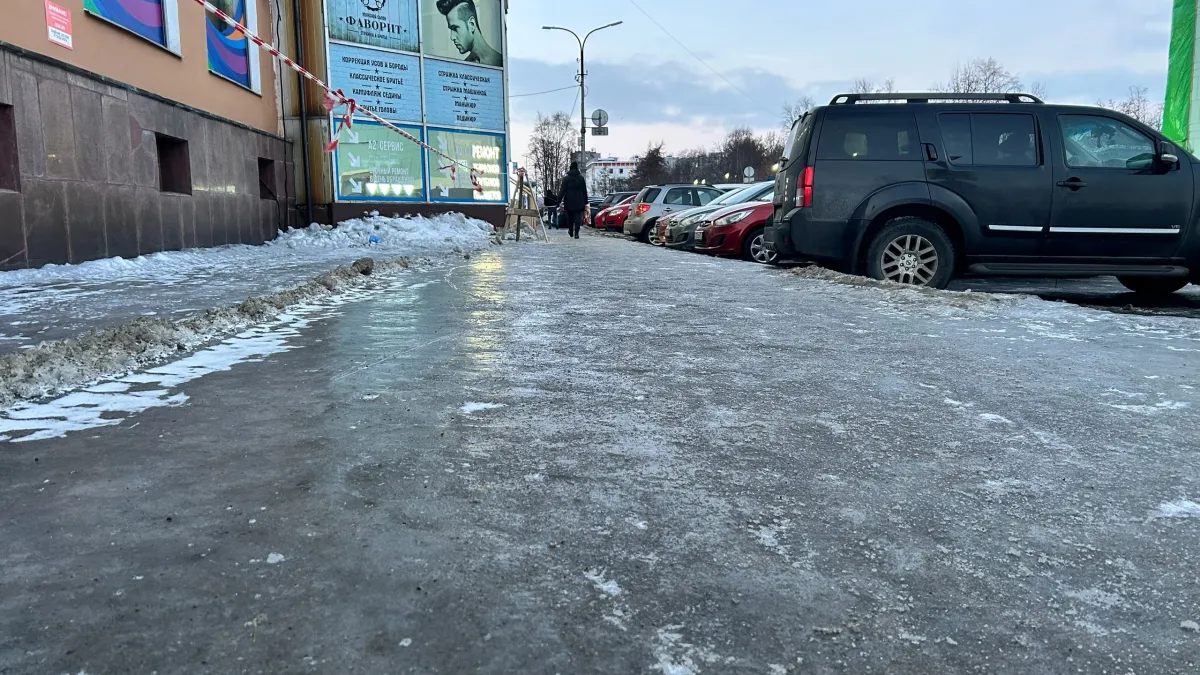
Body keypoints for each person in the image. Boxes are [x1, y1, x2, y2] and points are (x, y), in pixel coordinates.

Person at [435, 0, 503, 67]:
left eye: (455, 28)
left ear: (471, 24)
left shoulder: (501, 63)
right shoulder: (464, 69)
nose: (452, 37)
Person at [558, 162, 588, 239]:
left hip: (569, 200)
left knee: (570, 217)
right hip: (579, 200)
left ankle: (571, 231)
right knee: (577, 216)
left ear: (570, 168)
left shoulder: (566, 179)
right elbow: (584, 191)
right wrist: (586, 201)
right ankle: (577, 233)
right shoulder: (581, 178)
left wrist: (558, 201)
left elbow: (562, 190)